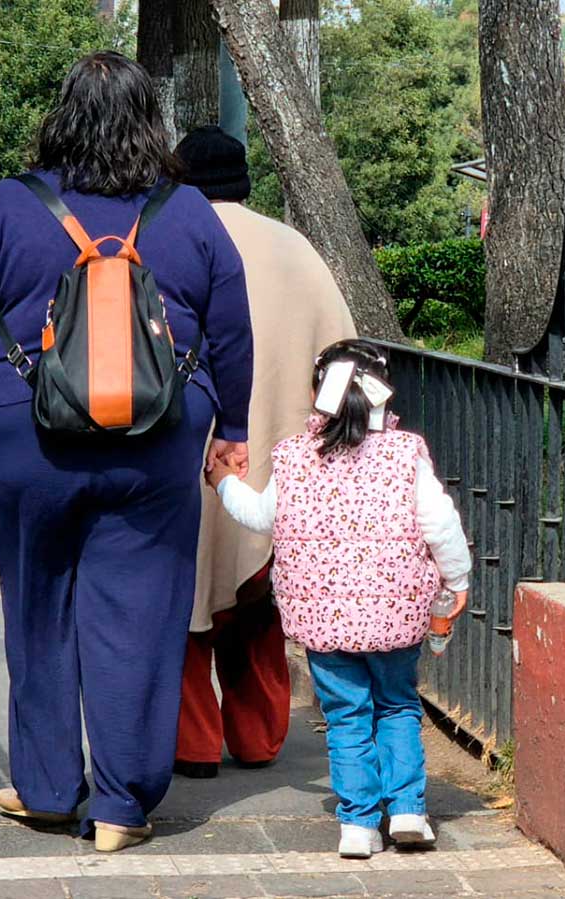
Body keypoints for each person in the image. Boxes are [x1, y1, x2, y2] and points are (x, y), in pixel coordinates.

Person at [0, 51, 253, 853]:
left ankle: (45, 787)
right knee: (139, 615)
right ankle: (120, 802)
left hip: (21, 436)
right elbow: (231, 331)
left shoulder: (8, 205)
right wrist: (234, 428)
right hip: (156, 438)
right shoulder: (188, 212)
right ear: (152, 121)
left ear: (61, 116)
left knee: (35, 605)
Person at [206, 339, 471, 860]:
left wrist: (222, 484)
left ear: (316, 394)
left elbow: (261, 517)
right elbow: (440, 523)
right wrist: (457, 581)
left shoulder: (293, 456)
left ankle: (357, 824)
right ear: (383, 392)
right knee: (397, 706)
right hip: (395, 614)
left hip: (322, 621)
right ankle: (408, 810)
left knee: (347, 717)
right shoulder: (405, 453)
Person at [172, 125, 359, 780]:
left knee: (183, 609)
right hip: (280, 463)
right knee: (258, 613)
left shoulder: (169, 241)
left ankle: (193, 744)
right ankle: (256, 737)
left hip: (190, 456)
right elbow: (343, 357)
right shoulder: (294, 248)